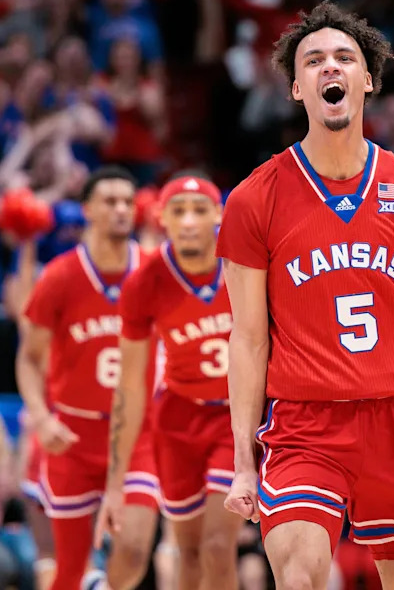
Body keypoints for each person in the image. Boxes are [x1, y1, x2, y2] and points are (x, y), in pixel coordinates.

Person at [216, 1, 394, 590]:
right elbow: (249, 337)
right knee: (300, 579)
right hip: (304, 424)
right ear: (295, 88)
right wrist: (239, 463)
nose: (328, 68)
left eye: (343, 58)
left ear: (369, 80)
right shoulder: (254, 199)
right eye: (313, 61)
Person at [16, 167, 160, 590]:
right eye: (110, 201)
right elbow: (28, 359)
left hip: (137, 433)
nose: (120, 210)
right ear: (88, 210)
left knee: (134, 549)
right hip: (73, 434)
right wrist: (42, 419)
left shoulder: (154, 271)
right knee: (69, 571)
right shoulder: (59, 277)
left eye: (127, 202)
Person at [97, 172, 242, 589]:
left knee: (218, 547)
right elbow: (130, 384)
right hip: (177, 421)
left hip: (235, 420)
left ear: (219, 213)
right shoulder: (144, 284)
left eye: (200, 210)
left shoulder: (244, 265)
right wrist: (116, 480)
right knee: (189, 552)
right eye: (179, 211)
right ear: (163, 218)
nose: (191, 220)